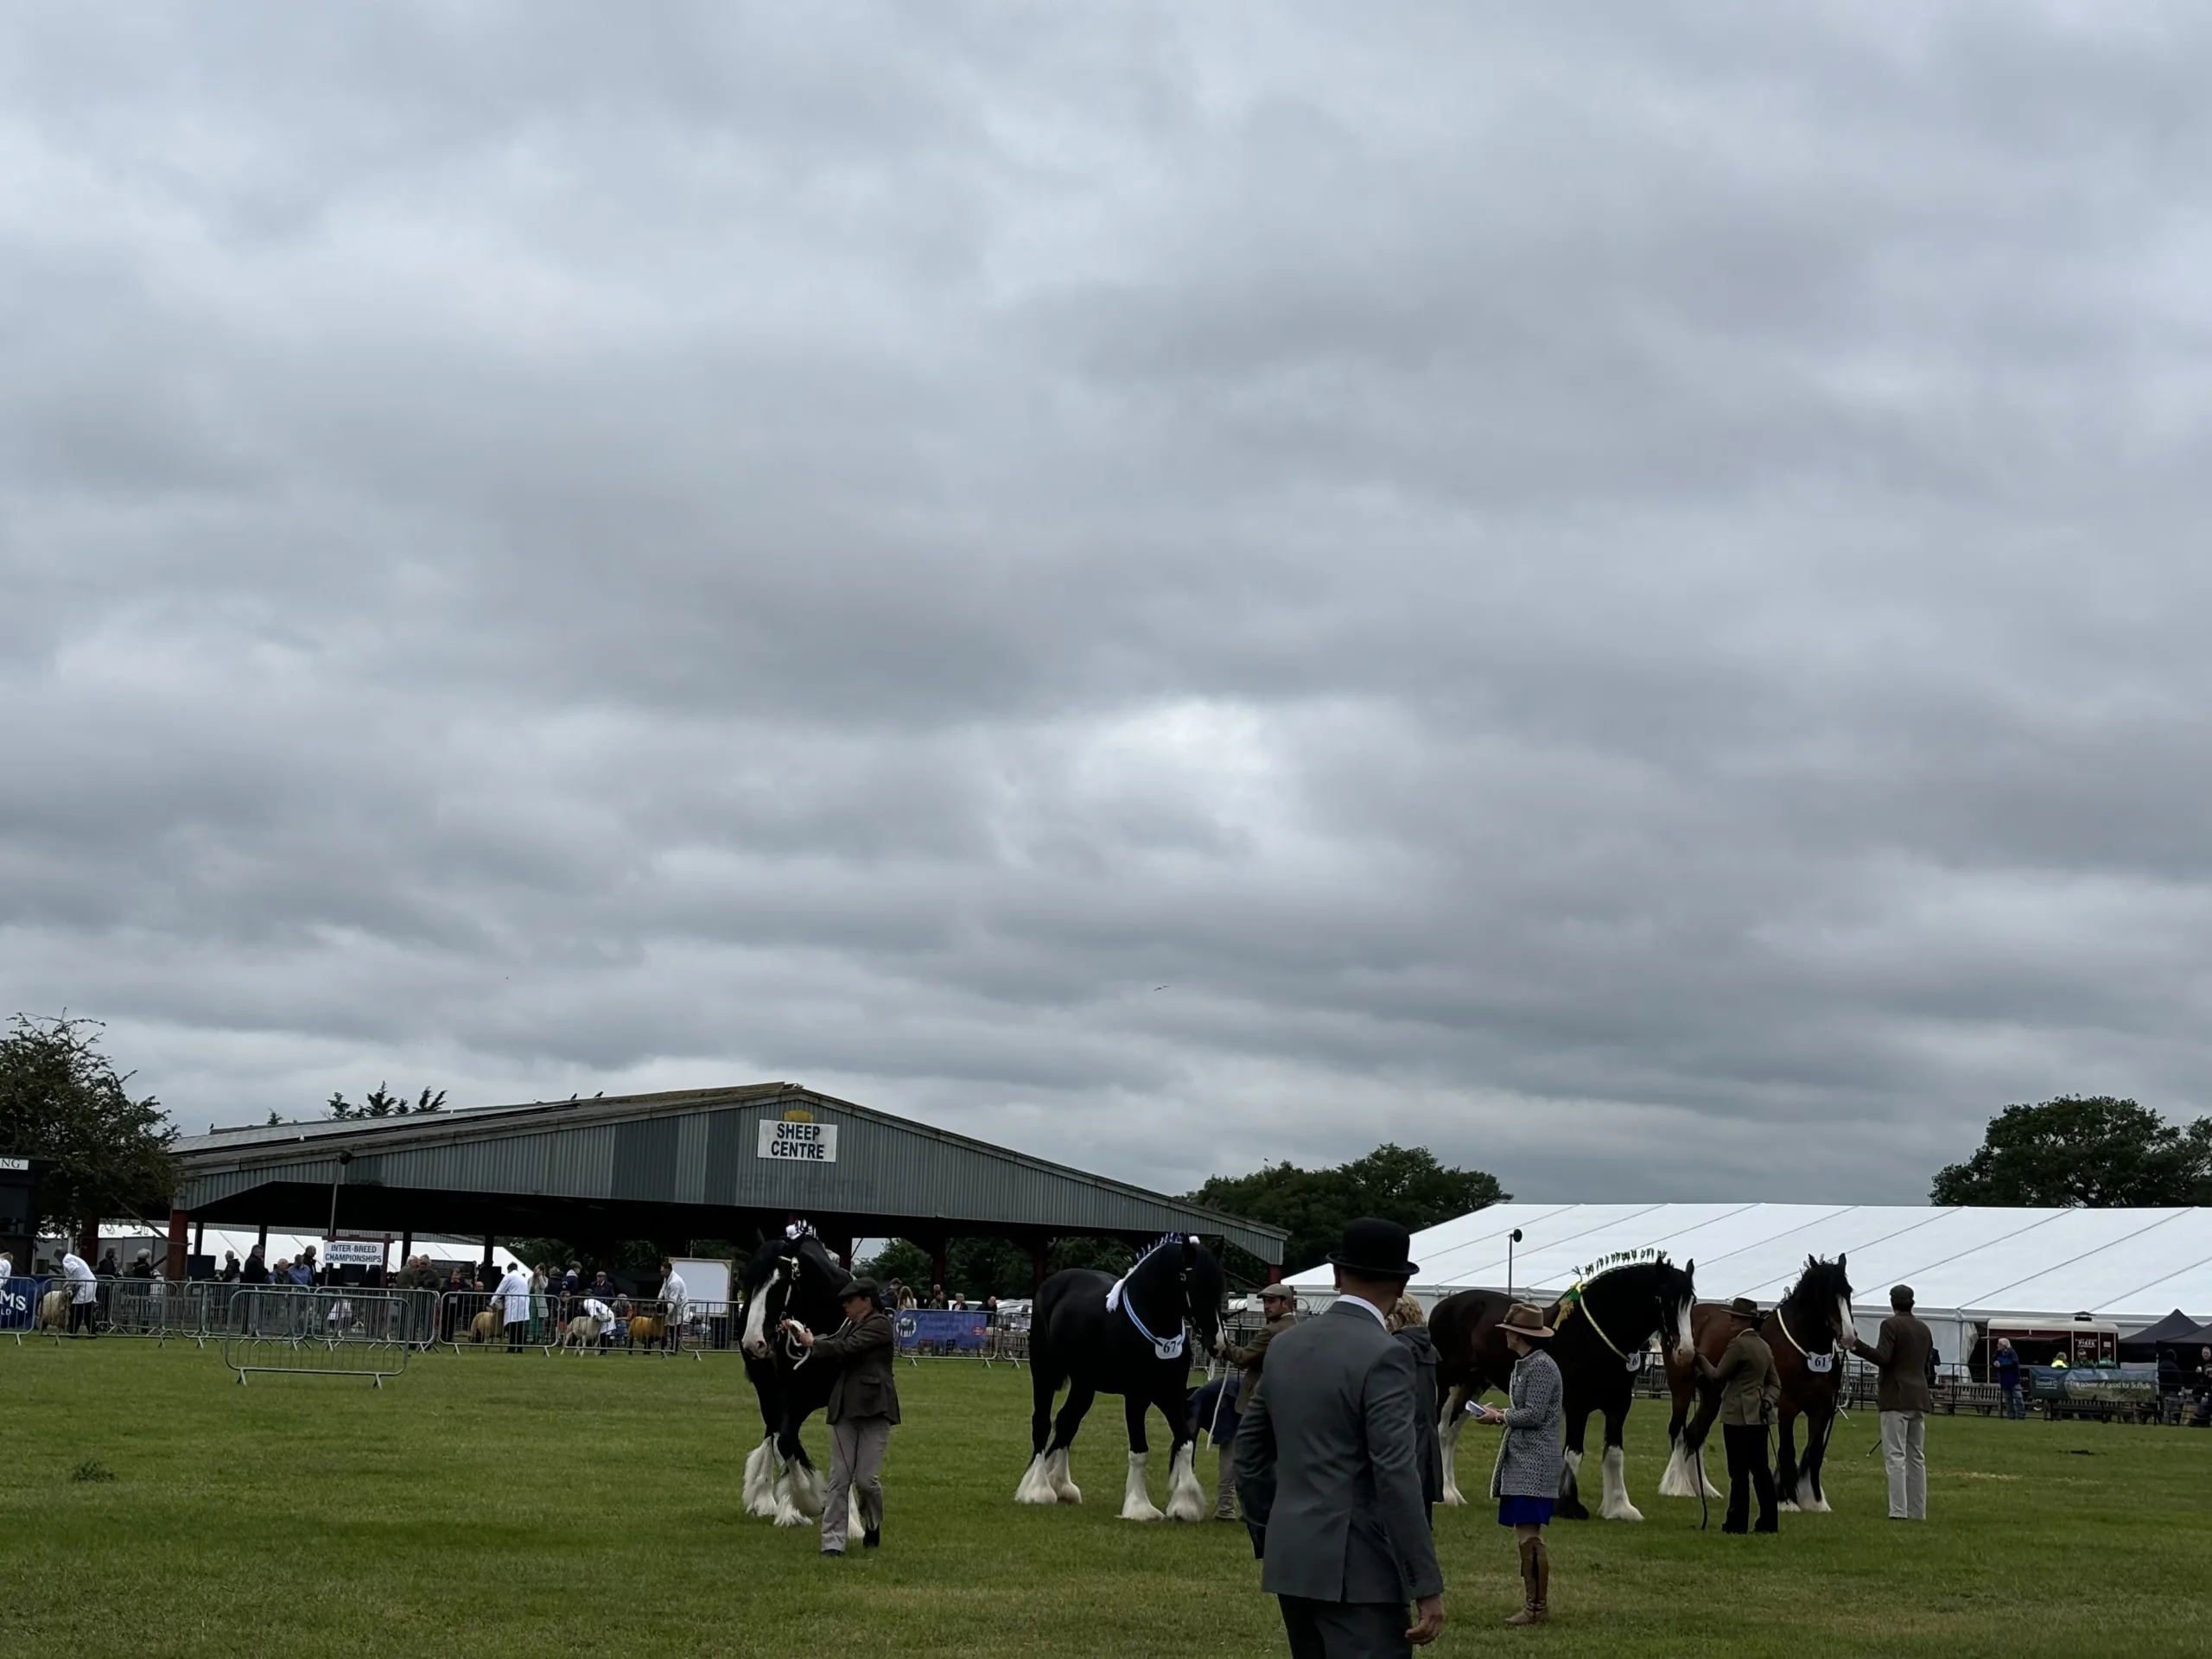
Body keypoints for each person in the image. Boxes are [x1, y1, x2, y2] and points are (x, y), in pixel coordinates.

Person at [1236, 1217, 1444, 1656]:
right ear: (1402, 1282)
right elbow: (1396, 1475)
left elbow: (1251, 1453)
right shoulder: (1387, 1354)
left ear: (1336, 1275)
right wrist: (1424, 1581)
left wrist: (1270, 1531)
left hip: (1292, 1557)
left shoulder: (1287, 1346)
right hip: (1361, 1568)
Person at [785, 1277, 899, 1557]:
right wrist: (800, 1334)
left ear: (866, 1301)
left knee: (866, 1480)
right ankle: (832, 1543)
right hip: (845, 1408)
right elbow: (833, 1343)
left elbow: (847, 1348)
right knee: (840, 1478)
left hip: (875, 1409)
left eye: (849, 1301)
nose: (845, 1306)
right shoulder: (849, 1324)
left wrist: (814, 1343)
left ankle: (872, 1522)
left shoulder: (880, 1325)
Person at [1468, 1303, 1563, 1624]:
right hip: (1523, 1459)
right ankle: (1533, 1604)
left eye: (1509, 1330)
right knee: (1525, 1534)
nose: (1505, 1335)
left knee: (1529, 1534)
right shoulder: (1528, 1364)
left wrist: (1499, 1417)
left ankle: (1536, 1608)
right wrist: (1501, 1413)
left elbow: (1534, 1415)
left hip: (1534, 1462)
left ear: (1520, 1335)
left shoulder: (1540, 1367)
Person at [1697, 1297, 1781, 1535]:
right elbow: (1775, 1383)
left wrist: (1699, 1358)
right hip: (1759, 1417)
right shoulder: (1764, 1346)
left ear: (1744, 1320)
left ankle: (1736, 1523)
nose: (1731, 1320)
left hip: (1737, 1416)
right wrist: (1766, 1400)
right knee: (1761, 1471)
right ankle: (1768, 1522)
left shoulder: (1739, 1345)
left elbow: (1717, 1376)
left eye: (1734, 1317)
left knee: (1738, 1472)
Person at [1852, 1284, 1934, 1521]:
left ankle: (1898, 1510)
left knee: (1896, 1456)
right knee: (1916, 1456)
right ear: (1912, 1303)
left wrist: (1855, 1345)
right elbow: (1927, 1361)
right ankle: (1918, 1511)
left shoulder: (1890, 1325)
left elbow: (1883, 1357)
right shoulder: (1924, 1328)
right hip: (1918, 1396)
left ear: (1892, 1303)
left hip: (1895, 1396)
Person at [1386, 1295, 1443, 1529]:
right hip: (1425, 1421)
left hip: (1403, 1421)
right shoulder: (1427, 1347)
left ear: (1397, 1317)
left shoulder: (1397, 1346)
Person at [1187, 1373, 1243, 1521]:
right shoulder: (1199, 1403)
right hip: (1232, 1399)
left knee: (1235, 1460)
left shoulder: (1197, 1402)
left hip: (1234, 1397)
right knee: (1231, 1459)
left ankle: (1231, 1510)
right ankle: (1226, 1510)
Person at [493, 1261, 531, 1351]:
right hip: (523, 1304)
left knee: (511, 1327)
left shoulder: (509, 1276)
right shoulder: (522, 1277)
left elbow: (500, 1289)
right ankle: (520, 1348)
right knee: (520, 1327)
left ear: (508, 1270)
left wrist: (492, 1301)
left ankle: (511, 1348)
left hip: (514, 1304)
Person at [62, 1249, 100, 1336]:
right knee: (88, 1309)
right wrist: (68, 1283)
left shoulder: (67, 1260)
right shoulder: (74, 1258)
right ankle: (92, 1331)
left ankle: (73, 1331)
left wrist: (75, 1283)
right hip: (91, 1282)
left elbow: (75, 1270)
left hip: (85, 1283)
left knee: (77, 1307)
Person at [660, 1258, 689, 1348]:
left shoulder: (675, 1282)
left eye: (663, 1271)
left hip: (678, 1307)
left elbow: (673, 1299)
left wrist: (667, 1312)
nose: (661, 1273)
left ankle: (674, 1348)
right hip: (671, 1305)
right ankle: (663, 1346)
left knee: (674, 1328)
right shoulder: (667, 1277)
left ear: (668, 1270)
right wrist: (658, 1300)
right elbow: (663, 1288)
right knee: (666, 1325)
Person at [1993, 1337, 2024, 1420]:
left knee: (2018, 1397)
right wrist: (1995, 1363)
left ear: (2004, 1345)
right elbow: (1993, 1360)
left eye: (1999, 1344)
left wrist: (2001, 1365)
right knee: (2008, 1399)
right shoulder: (1998, 1353)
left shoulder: (2012, 1353)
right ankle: (2011, 1415)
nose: (1997, 1345)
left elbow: (2014, 1363)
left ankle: (2021, 1415)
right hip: (2004, 1379)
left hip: (2014, 1379)